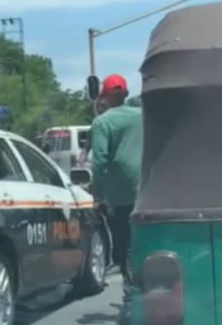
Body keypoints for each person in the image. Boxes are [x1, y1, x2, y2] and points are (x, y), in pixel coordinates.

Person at [89, 74, 143, 296]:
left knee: (123, 248)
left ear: (105, 97)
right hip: (147, 192)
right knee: (142, 244)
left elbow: (99, 161)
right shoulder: (142, 116)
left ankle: (131, 298)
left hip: (119, 197)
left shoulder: (102, 122)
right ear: (126, 94)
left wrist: (97, 195)